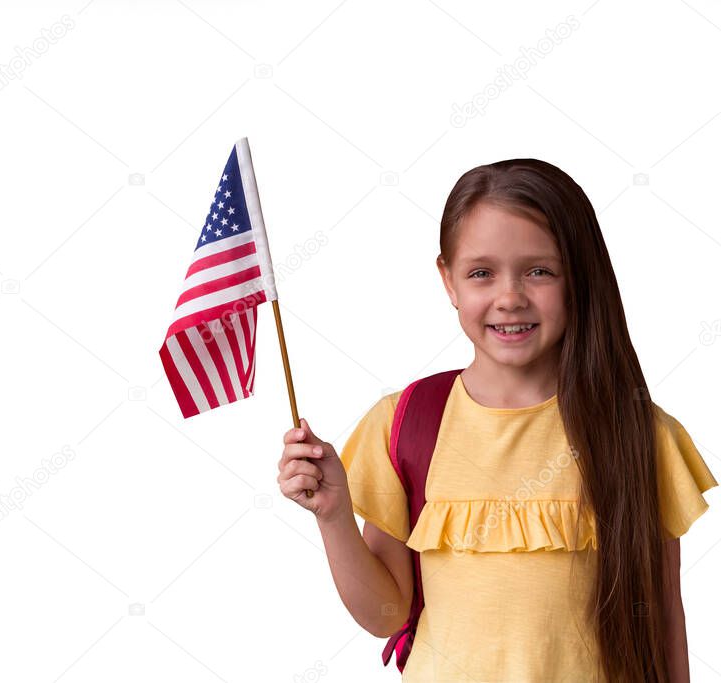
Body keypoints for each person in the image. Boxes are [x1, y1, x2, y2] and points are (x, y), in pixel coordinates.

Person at [276, 158, 717, 682]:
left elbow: (663, 619)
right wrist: (333, 515)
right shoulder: (405, 423)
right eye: (482, 273)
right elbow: (385, 616)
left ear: (579, 276)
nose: (510, 298)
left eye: (540, 271)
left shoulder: (640, 435)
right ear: (448, 280)